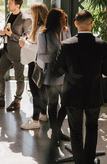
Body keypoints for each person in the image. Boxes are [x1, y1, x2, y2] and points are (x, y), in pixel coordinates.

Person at [53, 10, 107, 164]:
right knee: (92, 127)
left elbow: (57, 70)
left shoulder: (66, 45)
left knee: (75, 131)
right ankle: (89, 160)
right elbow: (106, 71)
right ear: (92, 24)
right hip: (94, 93)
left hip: (73, 94)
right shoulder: (102, 45)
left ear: (75, 24)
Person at [0, 0, 32, 111]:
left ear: (17, 5)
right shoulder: (8, 15)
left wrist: (11, 35)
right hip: (7, 52)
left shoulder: (26, 19)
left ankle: (17, 101)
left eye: (9, 4)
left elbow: (26, 38)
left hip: (18, 53)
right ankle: (1, 98)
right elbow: (7, 31)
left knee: (19, 78)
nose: (7, 5)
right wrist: (3, 33)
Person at [37, 8, 68, 144]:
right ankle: (55, 133)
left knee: (66, 103)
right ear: (56, 19)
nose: (64, 20)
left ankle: (57, 130)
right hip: (51, 73)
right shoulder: (43, 35)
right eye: (62, 18)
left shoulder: (66, 32)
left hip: (66, 74)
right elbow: (41, 56)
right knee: (53, 104)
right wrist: (58, 57)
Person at [19, 2, 49, 129]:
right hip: (38, 64)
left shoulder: (41, 30)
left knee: (35, 92)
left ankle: (35, 120)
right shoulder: (42, 28)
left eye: (32, 12)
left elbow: (39, 48)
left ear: (37, 14)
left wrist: (24, 43)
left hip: (36, 64)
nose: (30, 14)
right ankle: (42, 114)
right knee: (40, 91)